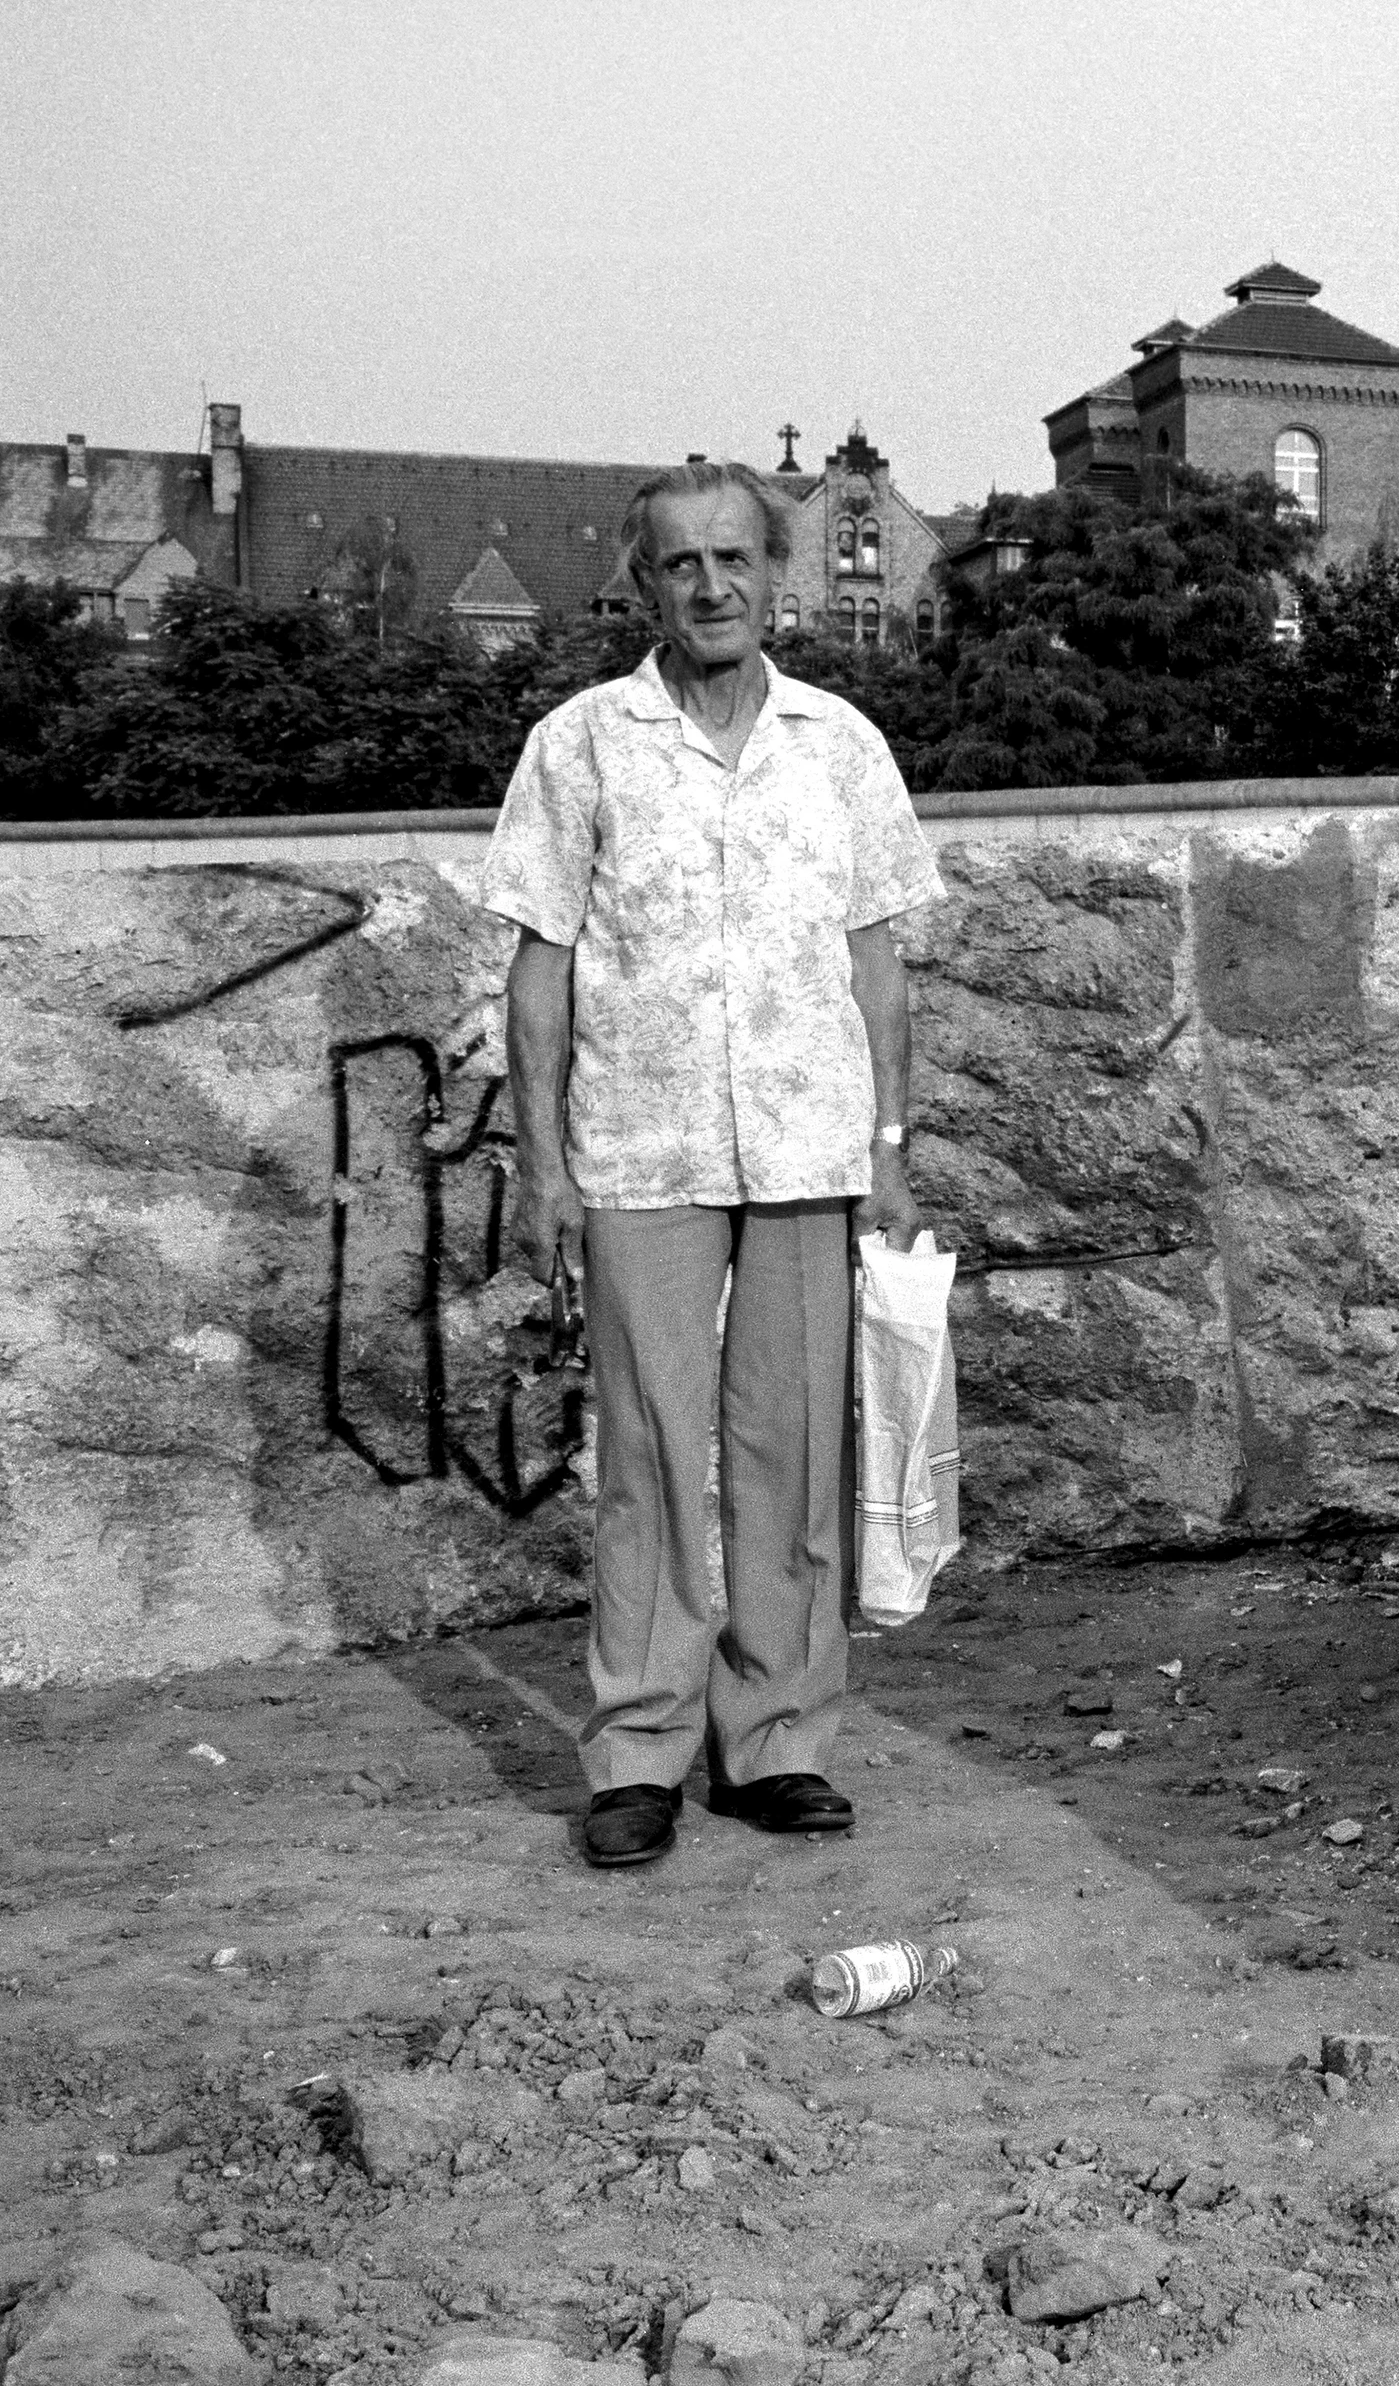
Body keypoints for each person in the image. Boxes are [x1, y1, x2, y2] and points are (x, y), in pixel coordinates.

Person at [485, 460, 943, 1870]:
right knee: (647, 1457)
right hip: (641, 1149)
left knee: (790, 1456)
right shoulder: (582, 743)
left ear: (776, 575)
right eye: (681, 564)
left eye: (736, 559)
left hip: (808, 1146)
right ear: (645, 584)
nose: (712, 587)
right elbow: (539, 965)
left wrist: (887, 1150)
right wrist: (548, 1164)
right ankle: (639, 1749)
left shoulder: (842, 745)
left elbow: (879, 964)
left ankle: (778, 1740)